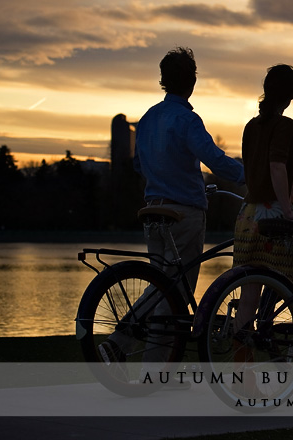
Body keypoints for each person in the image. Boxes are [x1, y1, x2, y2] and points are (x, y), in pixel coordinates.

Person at [98, 47, 245, 376]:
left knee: (163, 284)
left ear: (164, 81)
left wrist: (163, 179)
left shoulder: (149, 118)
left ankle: (151, 365)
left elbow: (138, 164)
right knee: (173, 290)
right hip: (184, 212)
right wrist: (248, 176)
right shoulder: (187, 119)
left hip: (153, 211)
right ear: (191, 81)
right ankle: (132, 350)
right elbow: (213, 158)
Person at [231, 64, 293, 395]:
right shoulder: (285, 124)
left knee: (249, 298)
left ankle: (243, 378)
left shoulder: (251, 126)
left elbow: (263, 171)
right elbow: (275, 166)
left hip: (249, 216)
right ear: (292, 92)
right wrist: (288, 209)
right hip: (274, 218)